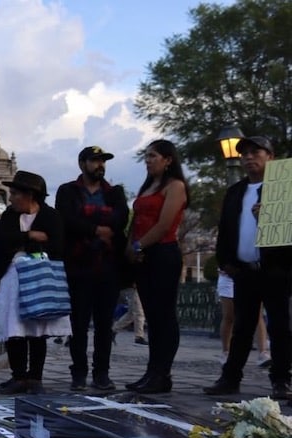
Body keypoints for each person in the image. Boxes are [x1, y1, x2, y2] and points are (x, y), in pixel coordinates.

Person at [205, 136, 291, 398]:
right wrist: (226, 261)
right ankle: (230, 378)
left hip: (275, 268)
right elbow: (225, 231)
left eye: (256, 152)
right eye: (245, 154)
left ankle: (281, 380)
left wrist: (268, 217)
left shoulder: (284, 190)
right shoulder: (236, 192)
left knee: (279, 326)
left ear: (271, 157)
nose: (249, 157)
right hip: (243, 270)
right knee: (242, 326)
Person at [55, 146, 129, 392]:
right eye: (95, 160)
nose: (100, 165)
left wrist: (97, 224)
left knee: (104, 325)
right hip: (78, 266)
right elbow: (68, 219)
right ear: (82, 163)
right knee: (78, 324)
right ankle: (78, 373)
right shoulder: (68, 191)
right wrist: (97, 229)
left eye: (102, 161)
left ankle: (102, 373)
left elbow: (120, 218)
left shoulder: (114, 193)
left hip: (107, 266)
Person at [0, 171, 70, 395]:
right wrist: (30, 237)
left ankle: (35, 376)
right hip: (13, 277)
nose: (11, 198)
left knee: (38, 328)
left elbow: (57, 245)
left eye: (15, 194)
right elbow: (4, 241)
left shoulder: (51, 216)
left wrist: (24, 242)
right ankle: (18, 375)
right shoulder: (9, 216)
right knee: (14, 326)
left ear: (30, 195)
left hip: (41, 278)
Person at [124, 139, 188, 394]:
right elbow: (137, 219)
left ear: (168, 159)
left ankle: (163, 372)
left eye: (153, 156)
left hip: (163, 253)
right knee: (152, 315)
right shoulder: (148, 186)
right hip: (142, 255)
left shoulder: (176, 186)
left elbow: (163, 225)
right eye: (146, 157)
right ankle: (152, 370)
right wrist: (130, 248)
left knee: (164, 316)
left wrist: (138, 246)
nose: (148, 161)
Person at [216, 271, 270, 367]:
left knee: (257, 315)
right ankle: (226, 352)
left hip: (253, 275)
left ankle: (263, 353)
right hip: (230, 276)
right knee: (230, 316)